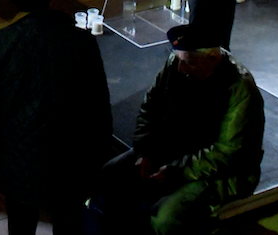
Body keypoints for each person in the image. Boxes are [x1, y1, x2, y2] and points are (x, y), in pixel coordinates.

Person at [0, 0, 111, 235]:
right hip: (71, 165)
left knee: (21, 227)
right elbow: (99, 107)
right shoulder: (80, 41)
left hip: (19, 165)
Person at [94, 22, 264, 235]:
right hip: (175, 152)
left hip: (222, 173)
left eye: (190, 63)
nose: (182, 69)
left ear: (211, 59)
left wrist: (175, 172)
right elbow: (150, 107)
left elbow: (227, 154)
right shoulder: (177, 63)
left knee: (165, 217)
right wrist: (146, 151)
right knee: (109, 175)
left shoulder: (240, 92)